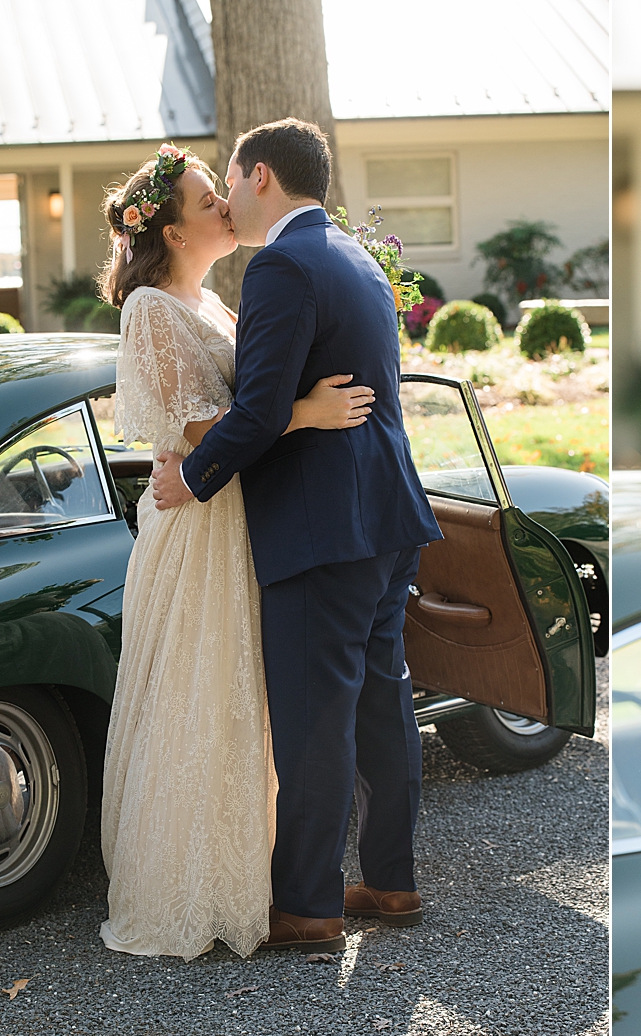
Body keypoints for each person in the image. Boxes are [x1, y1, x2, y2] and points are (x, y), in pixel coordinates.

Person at [149, 119, 443, 952]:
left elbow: (258, 409)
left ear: (262, 176)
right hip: (386, 515)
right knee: (383, 702)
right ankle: (391, 880)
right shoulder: (351, 254)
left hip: (323, 523)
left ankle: (308, 905)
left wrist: (192, 479)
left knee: (315, 714)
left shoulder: (282, 264)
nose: (228, 198)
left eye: (233, 181)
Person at [99, 145, 375, 960]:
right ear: (173, 229)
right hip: (196, 528)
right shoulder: (152, 308)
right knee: (197, 692)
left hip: (239, 516)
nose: (225, 201)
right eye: (206, 196)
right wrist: (308, 414)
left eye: (223, 189)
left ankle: (242, 874)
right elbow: (191, 432)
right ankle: (182, 885)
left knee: (239, 699)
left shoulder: (216, 303)